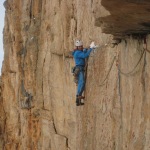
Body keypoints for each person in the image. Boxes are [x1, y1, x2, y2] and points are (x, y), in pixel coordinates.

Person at [72, 40, 96, 106]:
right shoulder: (77, 53)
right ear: (77, 47)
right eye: (79, 46)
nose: (81, 47)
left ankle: (78, 99)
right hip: (79, 69)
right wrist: (91, 48)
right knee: (81, 82)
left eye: (81, 46)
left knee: (81, 83)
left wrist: (85, 49)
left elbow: (83, 53)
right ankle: (78, 96)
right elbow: (85, 55)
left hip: (79, 69)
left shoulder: (77, 52)